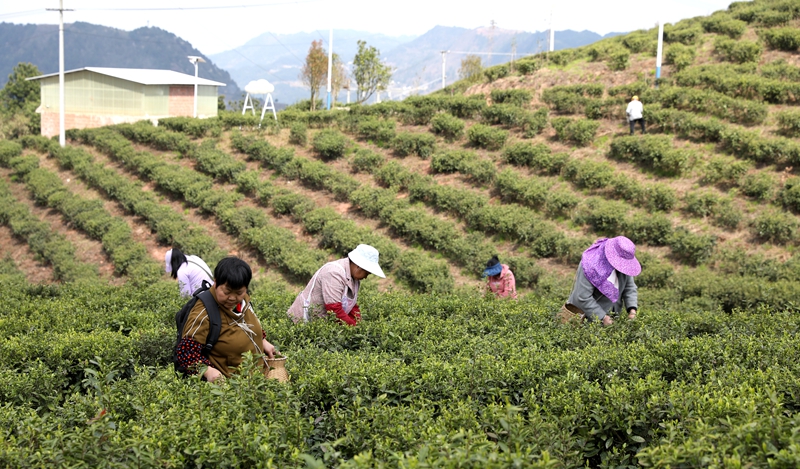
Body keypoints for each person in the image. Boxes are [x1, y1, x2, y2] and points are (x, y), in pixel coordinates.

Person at [177, 256, 276, 382]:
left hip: (256, 384)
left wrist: (261, 340)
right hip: (230, 392)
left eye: (239, 293)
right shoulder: (204, 312)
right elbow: (185, 352)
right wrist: (208, 371)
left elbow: (247, 323)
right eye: (227, 292)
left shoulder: (243, 301)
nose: (232, 298)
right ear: (216, 282)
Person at [287, 244, 385, 325]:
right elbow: (334, 309)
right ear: (358, 266)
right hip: (300, 322)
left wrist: (358, 323)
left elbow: (352, 306)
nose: (366, 277)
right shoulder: (334, 273)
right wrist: (353, 328)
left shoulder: (354, 279)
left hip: (320, 323)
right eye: (366, 273)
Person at [563, 236, 640, 326]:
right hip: (586, 319)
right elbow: (582, 296)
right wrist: (602, 317)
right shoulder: (590, 265)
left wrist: (632, 310)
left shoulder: (624, 266)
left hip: (612, 318)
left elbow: (629, 287)